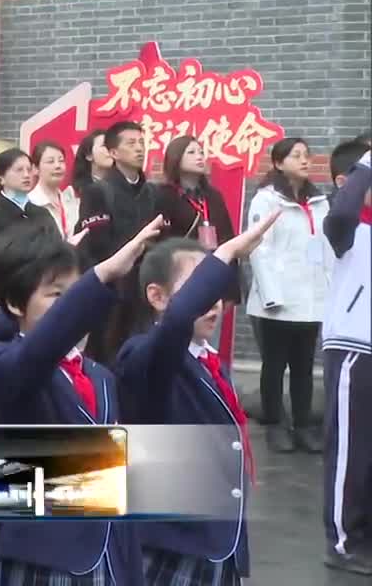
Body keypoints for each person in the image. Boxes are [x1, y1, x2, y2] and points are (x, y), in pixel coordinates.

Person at [0, 216, 164, 583]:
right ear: (15, 303)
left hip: (107, 555)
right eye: (57, 295)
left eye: (74, 293)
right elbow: (34, 351)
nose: (72, 308)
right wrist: (101, 275)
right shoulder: (1, 361)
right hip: (44, 558)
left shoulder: (99, 375)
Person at [116, 214, 280, 586]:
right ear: (157, 296)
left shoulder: (209, 361)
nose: (212, 304)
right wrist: (225, 255)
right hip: (173, 544)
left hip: (218, 541)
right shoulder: (144, 356)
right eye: (198, 290)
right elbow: (175, 323)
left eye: (215, 292)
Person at [245, 137, 331, 454]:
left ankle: (304, 425)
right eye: (297, 155)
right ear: (279, 163)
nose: (305, 160)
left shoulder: (319, 202)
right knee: (274, 365)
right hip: (277, 302)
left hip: (311, 299)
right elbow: (259, 248)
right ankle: (275, 425)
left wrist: (329, 290)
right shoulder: (266, 200)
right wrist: (272, 295)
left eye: (307, 155)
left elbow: (326, 250)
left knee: (304, 367)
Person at [320, 141, 372, 576]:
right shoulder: (346, 227)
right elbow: (341, 214)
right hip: (355, 346)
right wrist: (368, 162)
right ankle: (343, 541)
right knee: (351, 451)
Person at [76, 120, 158, 363]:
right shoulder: (98, 192)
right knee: (109, 362)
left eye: (141, 143)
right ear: (113, 152)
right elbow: (97, 246)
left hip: (147, 292)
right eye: (131, 143)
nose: (139, 148)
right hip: (113, 296)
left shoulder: (153, 193)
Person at [155, 136, 240, 305]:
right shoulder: (163, 195)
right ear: (176, 158)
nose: (199, 157)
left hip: (211, 274)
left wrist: (231, 290)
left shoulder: (213, 196)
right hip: (179, 278)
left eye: (201, 152)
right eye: (191, 152)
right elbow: (158, 243)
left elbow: (227, 240)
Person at [0, 147, 58, 244]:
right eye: (19, 170)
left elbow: (57, 246)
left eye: (29, 170)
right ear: (1, 179)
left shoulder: (42, 213)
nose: (26, 175)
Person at [71, 128, 114, 197]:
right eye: (104, 145)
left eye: (112, 145)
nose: (110, 149)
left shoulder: (125, 183)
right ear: (89, 155)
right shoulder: (77, 191)